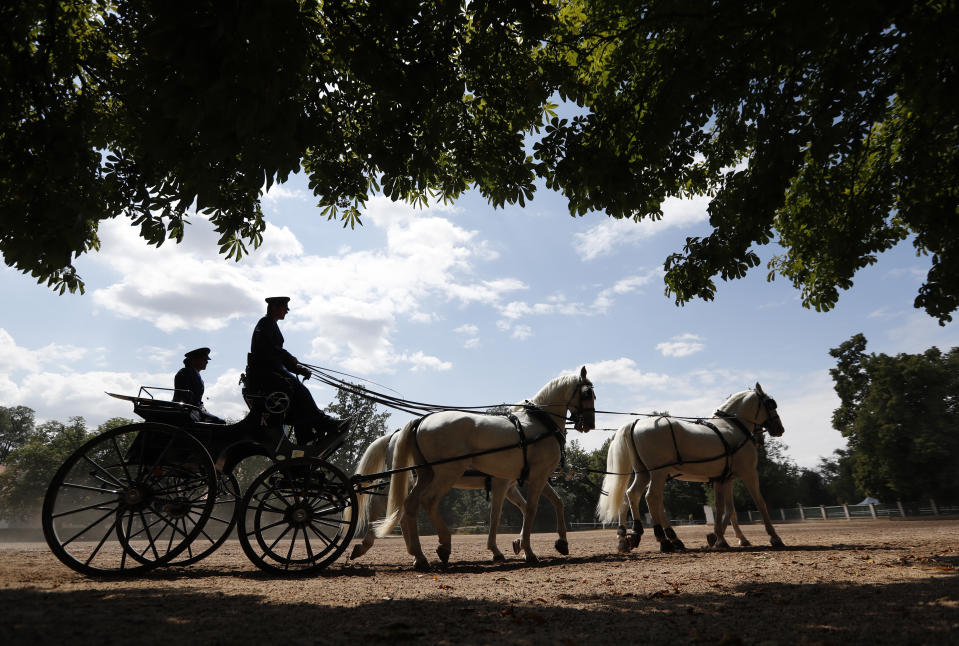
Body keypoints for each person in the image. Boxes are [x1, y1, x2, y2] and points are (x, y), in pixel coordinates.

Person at [246, 296, 350, 447]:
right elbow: (268, 350)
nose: (287, 311)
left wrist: (298, 369)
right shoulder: (266, 323)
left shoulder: (270, 324)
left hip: (272, 372)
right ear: (274, 307)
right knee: (302, 392)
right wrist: (288, 357)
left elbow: (274, 355)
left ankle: (306, 439)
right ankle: (325, 423)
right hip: (268, 374)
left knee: (301, 406)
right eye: (284, 307)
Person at [173, 347, 225, 423]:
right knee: (220, 423)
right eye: (204, 359)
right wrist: (200, 410)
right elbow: (185, 397)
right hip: (186, 409)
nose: (207, 362)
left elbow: (197, 400)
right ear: (194, 360)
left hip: (194, 409)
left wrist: (202, 409)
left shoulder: (196, 375)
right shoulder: (185, 373)